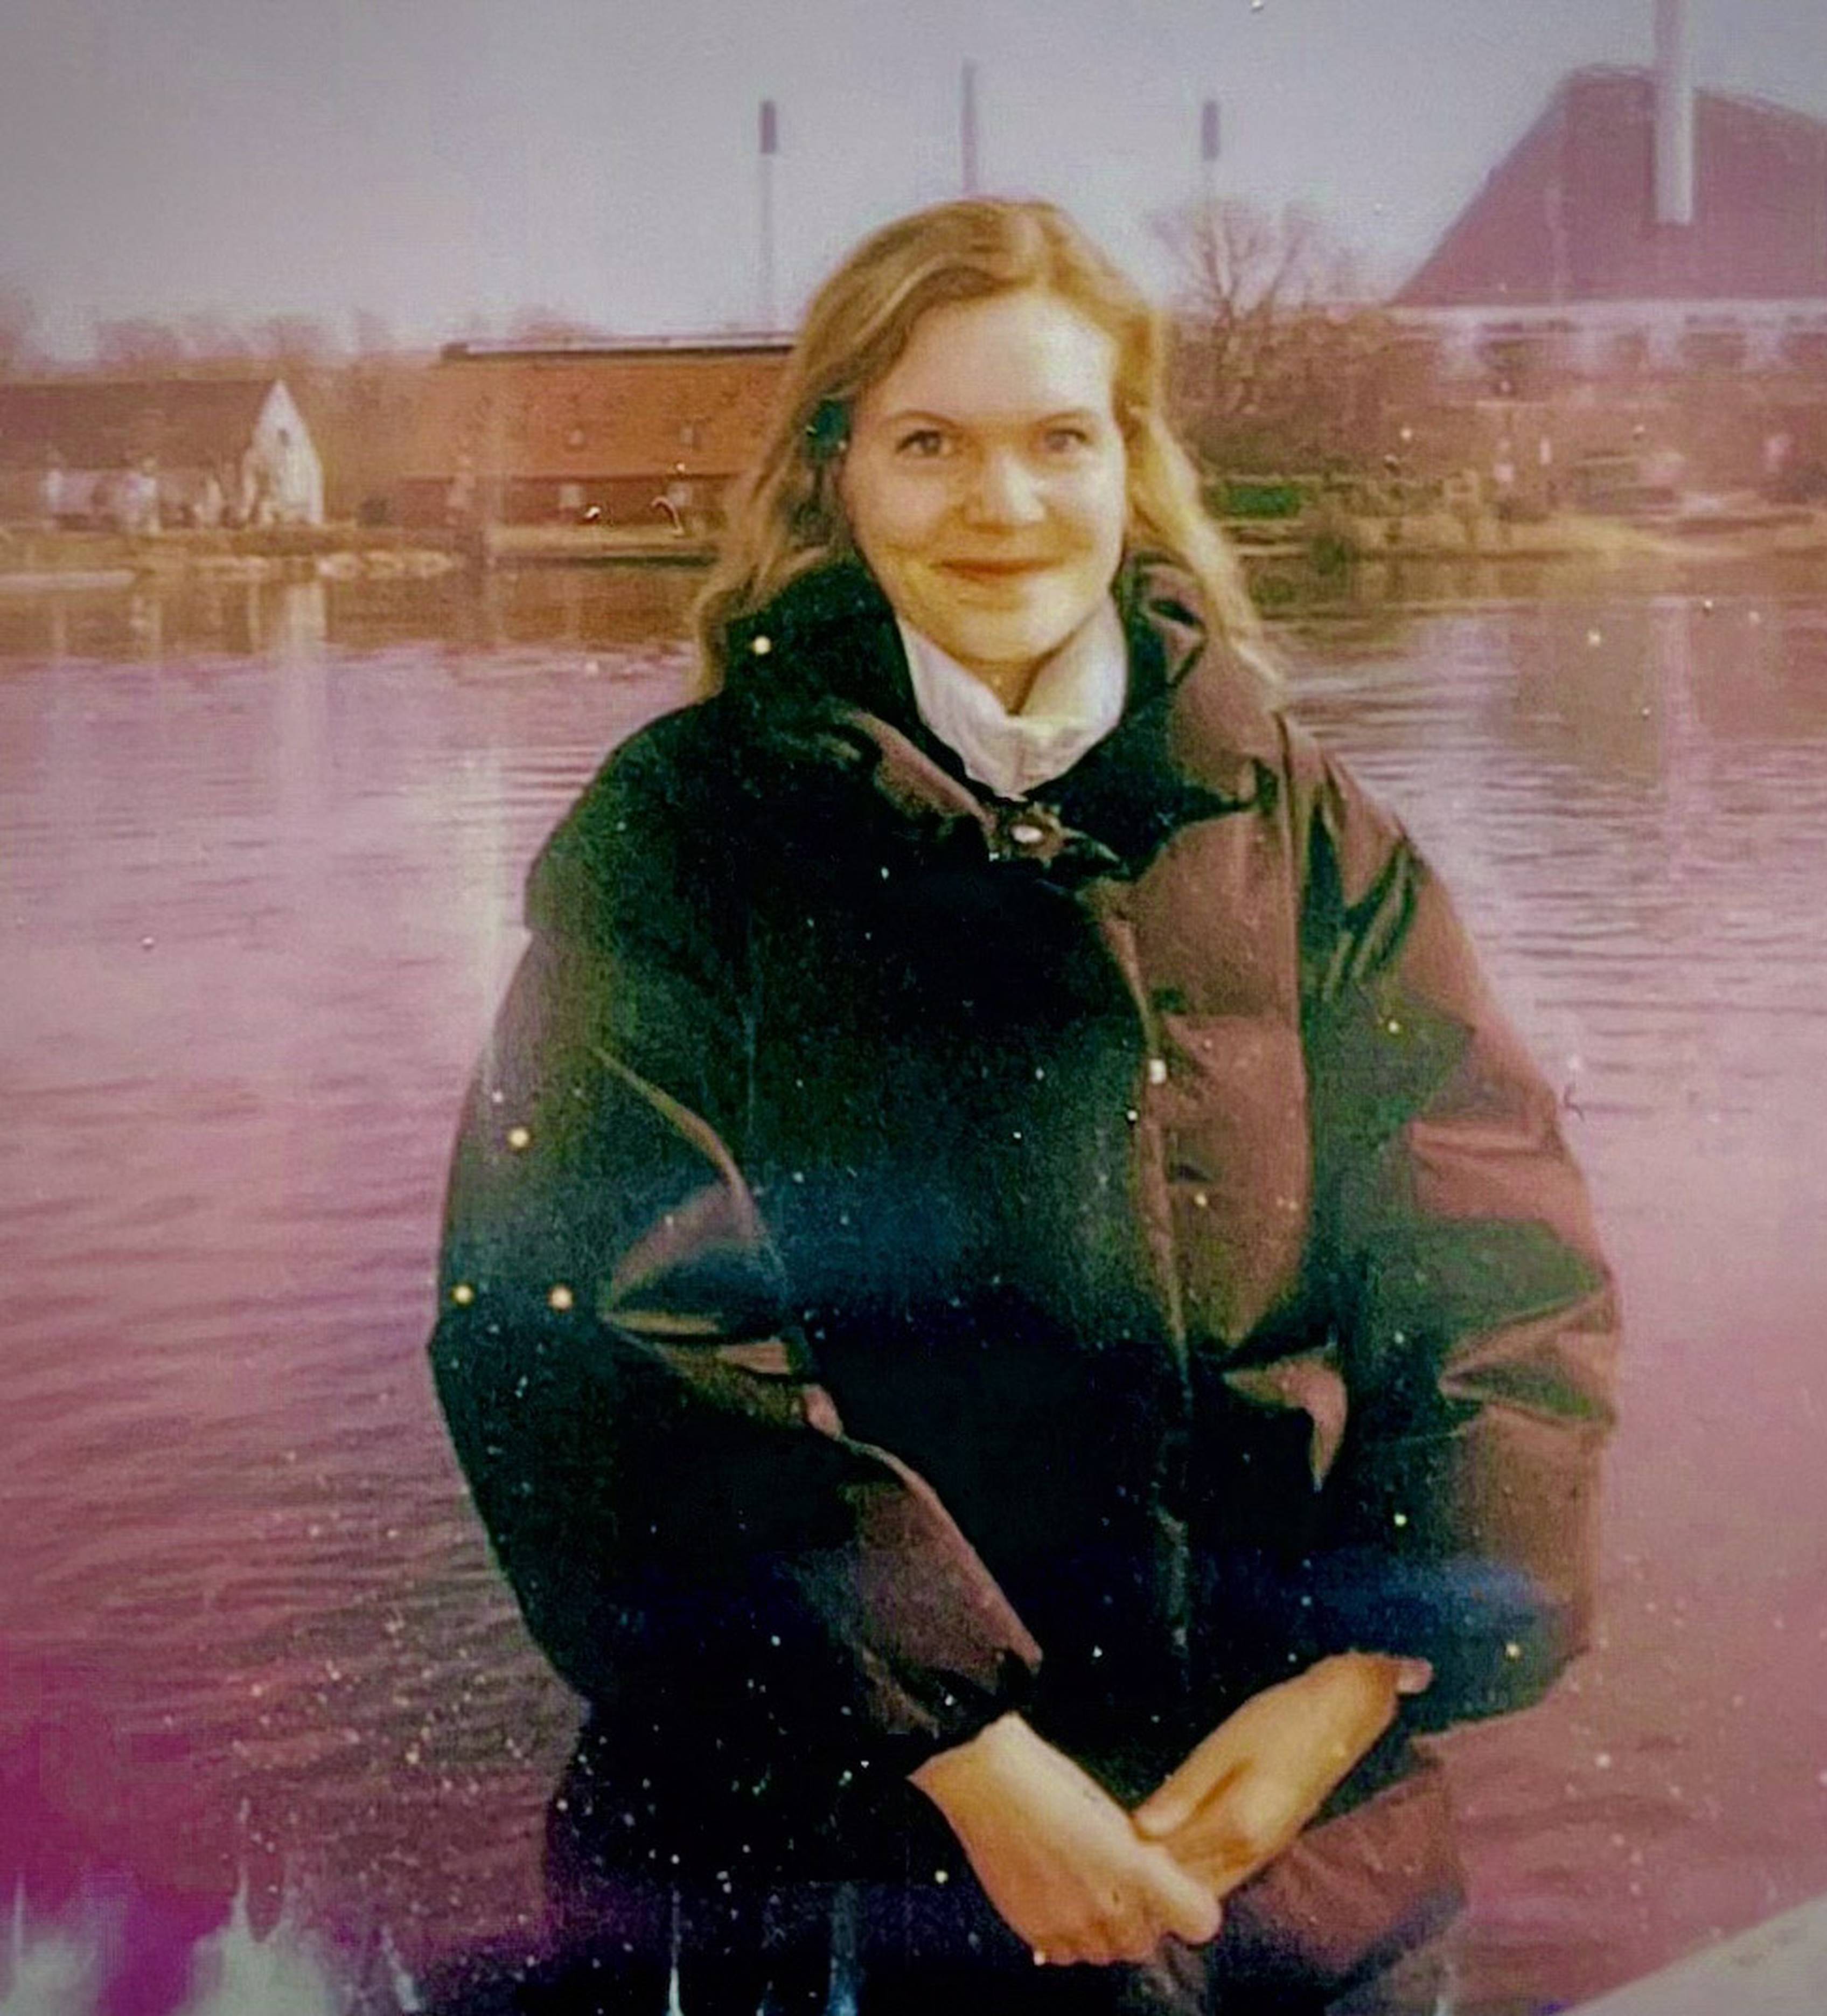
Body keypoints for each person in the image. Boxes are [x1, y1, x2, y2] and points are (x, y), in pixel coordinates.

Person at [427, 198, 1616, 2016]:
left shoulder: (1299, 827)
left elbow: (1498, 1272)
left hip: (1293, 1872)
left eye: (1061, 439)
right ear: (834, 474)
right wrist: (962, 1752)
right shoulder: (682, 839)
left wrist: (1361, 1676)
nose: (1005, 505)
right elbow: (587, 1333)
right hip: (828, 1878)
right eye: (930, 445)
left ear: (1130, 465)